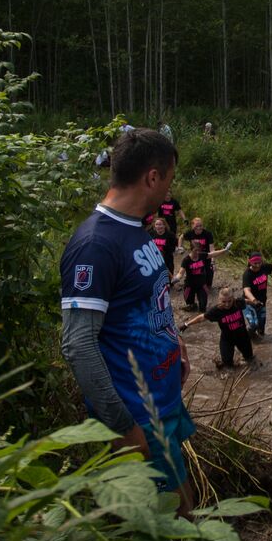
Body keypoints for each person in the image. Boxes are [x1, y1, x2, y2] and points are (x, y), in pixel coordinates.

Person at [59, 128, 196, 517]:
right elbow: (78, 345)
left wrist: (175, 340)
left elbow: (144, 300)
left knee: (184, 501)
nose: (169, 191)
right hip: (137, 416)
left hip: (162, 399)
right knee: (166, 523)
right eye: (168, 180)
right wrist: (123, 427)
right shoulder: (95, 245)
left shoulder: (135, 229)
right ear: (152, 177)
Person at [182, 285, 257, 370]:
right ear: (219, 300)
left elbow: (246, 301)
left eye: (229, 301)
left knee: (250, 359)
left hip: (243, 337)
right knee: (227, 365)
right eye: (224, 302)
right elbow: (202, 317)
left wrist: (255, 303)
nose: (227, 304)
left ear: (233, 298)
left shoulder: (238, 302)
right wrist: (186, 324)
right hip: (227, 340)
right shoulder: (216, 310)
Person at [176, 239, 216, 314]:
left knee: (203, 307)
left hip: (201, 284)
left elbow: (212, 254)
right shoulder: (186, 260)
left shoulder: (202, 255)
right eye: (195, 250)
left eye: (199, 250)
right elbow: (181, 272)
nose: (197, 252)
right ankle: (192, 305)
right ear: (191, 250)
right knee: (190, 303)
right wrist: (177, 278)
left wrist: (225, 250)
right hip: (190, 284)